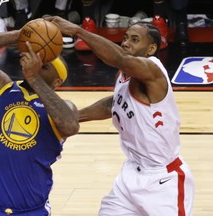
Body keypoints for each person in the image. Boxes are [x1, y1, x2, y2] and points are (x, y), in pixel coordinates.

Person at [45, 16, 195, 215]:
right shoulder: (124, 74)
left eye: (134, 39)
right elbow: (115, 103)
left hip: (163, 180)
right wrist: (76, 117)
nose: (125, 43)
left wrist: (78, 31)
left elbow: (119, 58)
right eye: (125, 38)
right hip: (131, 174)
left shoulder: (152, 69)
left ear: (151, 49)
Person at [0, 29, 79, 215]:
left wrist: (34, 78)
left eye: (43, 66)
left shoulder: (64, 108)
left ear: (57, 82)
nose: (35, 66)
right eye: (34, 60)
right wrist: (21, 35)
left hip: (32, 211)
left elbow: (70, 126)